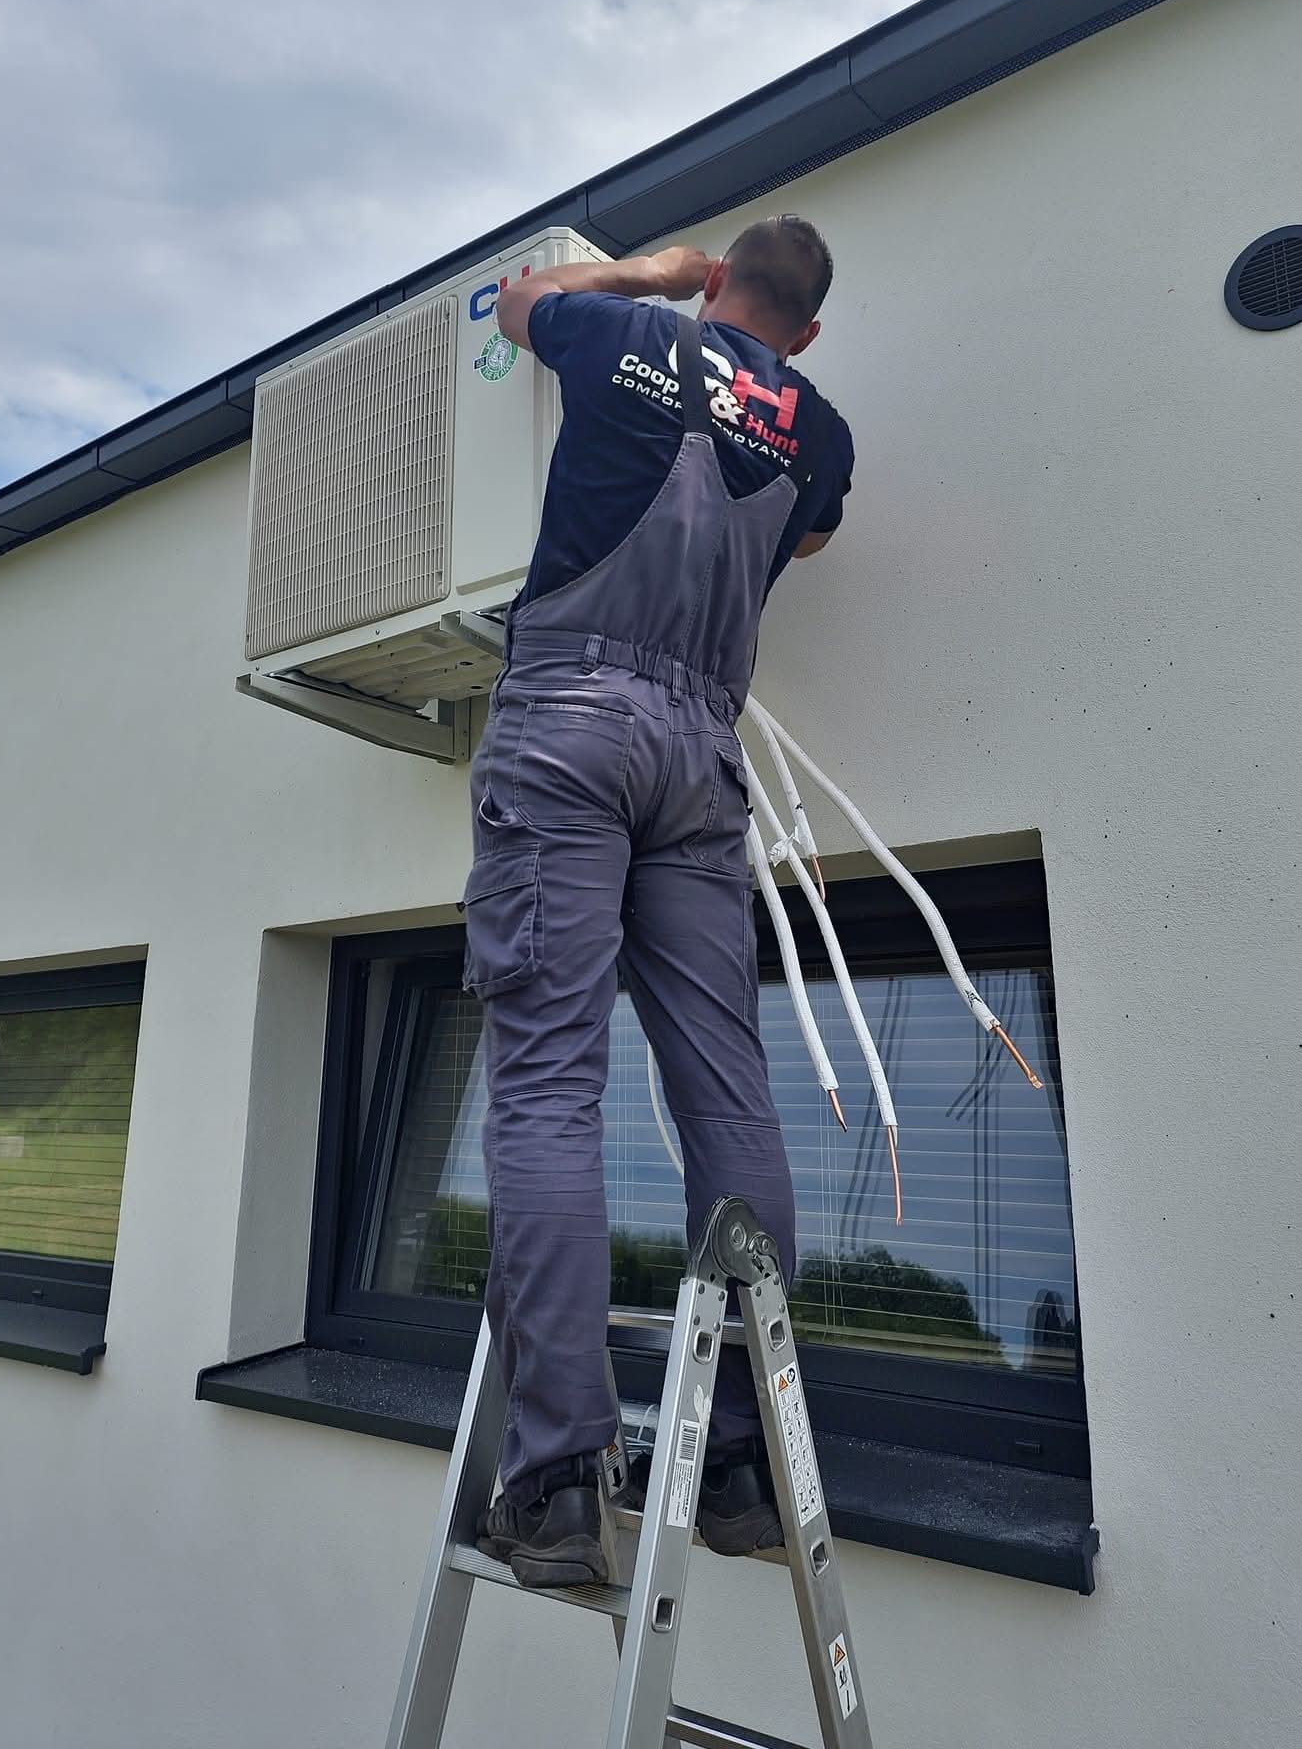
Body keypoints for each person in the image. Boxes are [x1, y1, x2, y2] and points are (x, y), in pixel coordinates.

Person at [463, 216, 854, 1588]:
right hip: (701, 756)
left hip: (569, 718)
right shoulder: (822, 432)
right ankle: (743, 1467)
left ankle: (563, 1478)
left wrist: (648, 275)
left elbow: (514, 303)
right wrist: (760, 399)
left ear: (720, 283)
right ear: (804, 330)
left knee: (549, 1085)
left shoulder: (625, 333)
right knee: (728, 1096)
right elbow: (799, 546)